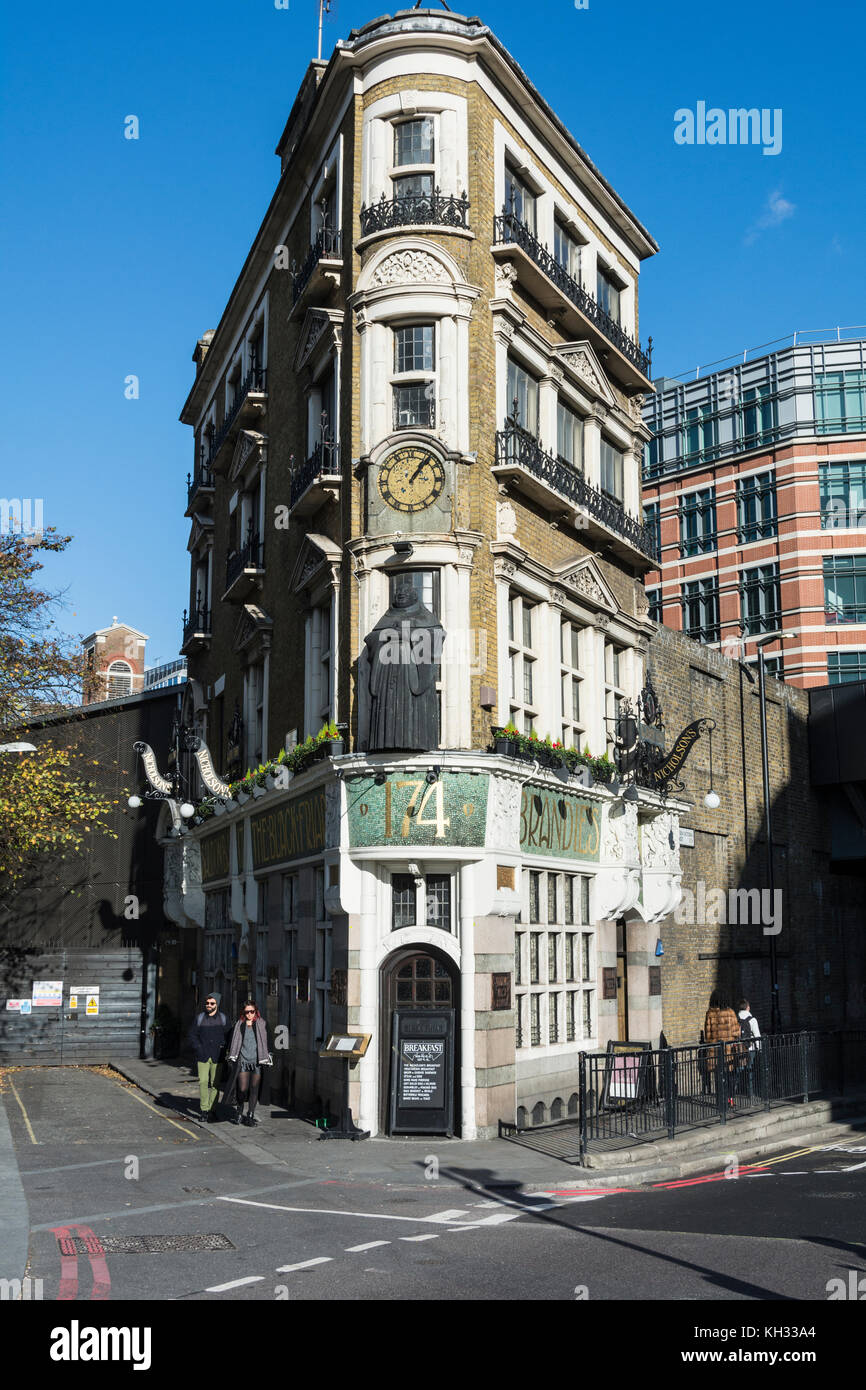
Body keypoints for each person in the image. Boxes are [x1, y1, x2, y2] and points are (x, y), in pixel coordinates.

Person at [222, 1000, 272, 1126]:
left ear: (256, 1011)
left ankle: (250, 1115)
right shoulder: (239, 1025)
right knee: (242, 1089)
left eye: (252, 1011)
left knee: (254, 1089)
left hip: (257, 1062)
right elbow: (231, 1041)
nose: (249, 1014)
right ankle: (239, 1111)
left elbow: (268, 1041)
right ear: (243, 1013)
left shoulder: (262, 1024)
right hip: (243, 1061)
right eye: (247, 1012)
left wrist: (269, 1056)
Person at [186, 992, 228, 1123]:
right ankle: (204, 1110)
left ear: (217, 1004)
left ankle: (212, 1110)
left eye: (212, 1003)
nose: (209, 1005)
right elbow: (192, 1035)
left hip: (218, 1056)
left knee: (215, 1085)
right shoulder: (199, 1018)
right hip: (203, 1056)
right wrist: (199, 1048)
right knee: (203, 1082)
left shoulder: (223, 1019)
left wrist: (224, 1048)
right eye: (207, 1003)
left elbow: (229, 1036)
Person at [703, 991, 740, 1107]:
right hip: (728, 1051)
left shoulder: (710, 1014)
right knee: (729, 1077)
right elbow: (736, 1032)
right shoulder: (730, 1012)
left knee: (718, 1078)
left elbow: (707, 1036)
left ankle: (720, 1102)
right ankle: (730, 1100)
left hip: (715, 1052)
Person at [736, 998, 762, 1096]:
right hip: (750, 1048)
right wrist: (760, 1049)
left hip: (739, 1048)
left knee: (739, 1069)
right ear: (748, 1007)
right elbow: (757, 1036)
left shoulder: (735, 1019)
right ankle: (750, 1093)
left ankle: (736, 1091)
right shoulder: (752, 1020)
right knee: (750, 1070)